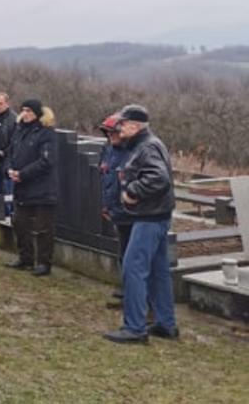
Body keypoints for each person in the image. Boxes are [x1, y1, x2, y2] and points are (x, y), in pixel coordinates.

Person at [103, 104, 178, 344]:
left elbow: (159, 178)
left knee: (133, 268)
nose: (119, 127)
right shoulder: (146, 144)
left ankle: (134, 328)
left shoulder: (147, 147)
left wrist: (132, 191)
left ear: (135, 126)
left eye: (123, 123)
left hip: (149, 218)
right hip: (156, 216)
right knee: (158, 271)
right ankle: (166, 324)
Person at [6, 100, 58, 276]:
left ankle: (44, 263)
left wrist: (23, 174)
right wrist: (9, 170)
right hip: (21, 187)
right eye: (23, 110)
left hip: (42, 188)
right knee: (19, 223)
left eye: (29, 110)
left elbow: (46, 161)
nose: (25, 113)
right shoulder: (19, 131)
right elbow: (10, 153)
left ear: (37, 113)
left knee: (43, 228)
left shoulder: (47, 133)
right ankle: (25, 258)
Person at [98, 112, 130, 307]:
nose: (110, 136)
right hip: (116, 210)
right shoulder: (108, 150)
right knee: (123, 254)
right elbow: (106, 179)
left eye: (113, 132)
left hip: (131, 213)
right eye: (107, 133)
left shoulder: (133, 152)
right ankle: (126, 290)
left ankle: (134, 297)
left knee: (133, 257)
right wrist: (105, 205)